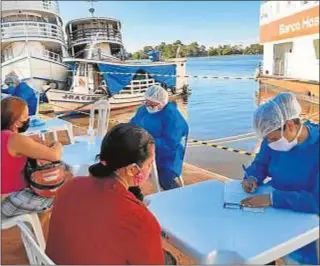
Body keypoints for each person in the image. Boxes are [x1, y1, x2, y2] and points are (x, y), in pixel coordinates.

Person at [45, 124, 166, 265]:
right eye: (149, 163)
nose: (150, 169)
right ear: (132, 170)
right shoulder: (140, 220)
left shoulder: (71, 185)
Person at [240, 92, 319, 265]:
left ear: (290, 125)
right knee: (258, 251)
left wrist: (272, 199)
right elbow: (261, 163)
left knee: (297, 259)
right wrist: (252, 177)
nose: (270, 143)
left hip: (305, 220)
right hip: (274, 211)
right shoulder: (273, 141)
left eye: (273, 138)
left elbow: (316, 201)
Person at [1, 96, 62, 216]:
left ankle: (33, 229)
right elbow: (55, 155)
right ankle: (36, 233)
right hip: (7, 200)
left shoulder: (8, 137)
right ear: (17, 121)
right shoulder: (16, 139)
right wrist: (57, 143)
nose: (28, 119)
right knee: (59, 194)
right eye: (25, 116)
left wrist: (28, 141)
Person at [130, 85, 189, 190]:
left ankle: (179, 195)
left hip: (168, 156)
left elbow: (170, 143)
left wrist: (146, 142)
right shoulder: (143, 110)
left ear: (163, 103)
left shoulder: (172, 116)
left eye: (152, 105)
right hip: (144, 151)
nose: (149, 106)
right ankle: (132, 196)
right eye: (147, 103)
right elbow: (132, 125)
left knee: (165, 179)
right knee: (126, 170)